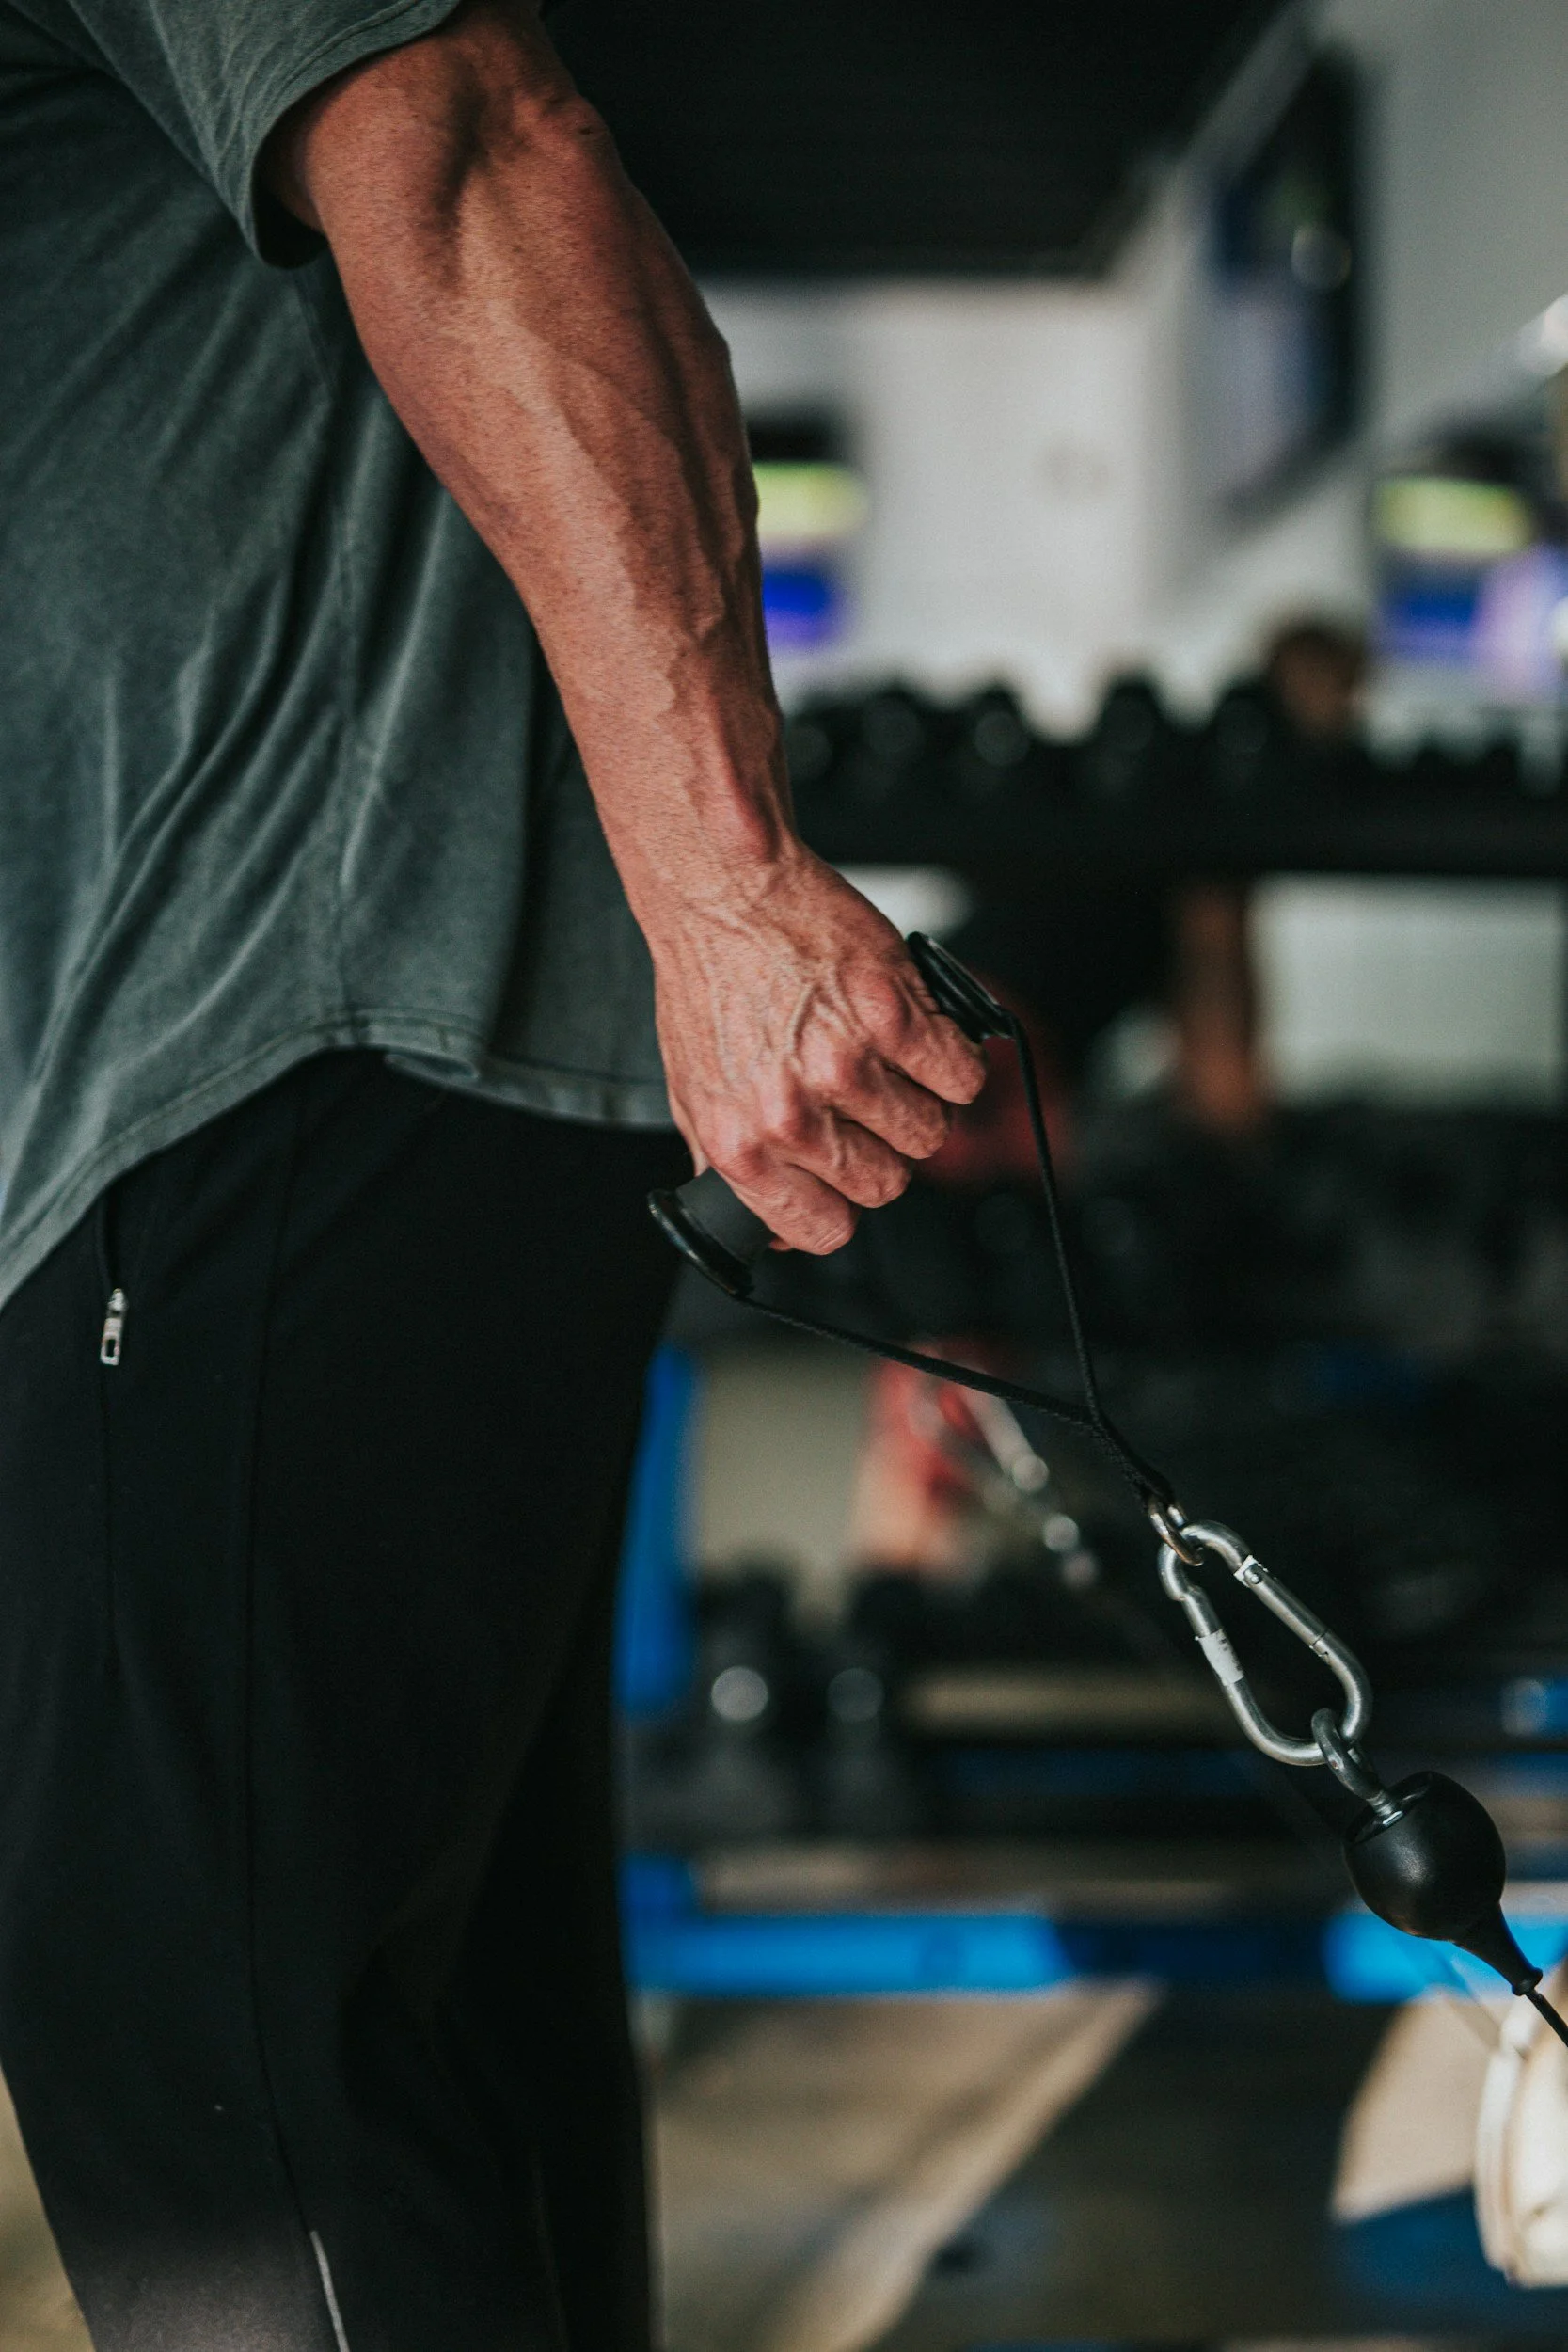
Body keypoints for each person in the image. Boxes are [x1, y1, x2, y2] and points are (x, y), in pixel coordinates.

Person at [0, 2, 983, 2345]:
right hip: (307, 1062)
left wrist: (720, 878)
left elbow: (472, 146)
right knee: (429, 2058)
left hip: (271, 1027)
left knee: (233, 2067)